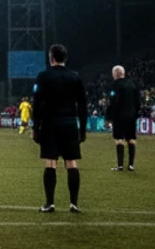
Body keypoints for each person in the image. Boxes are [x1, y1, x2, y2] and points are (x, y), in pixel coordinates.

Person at [32, 44, 87, 213]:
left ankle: (50, 203)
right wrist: (82, 129)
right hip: (69, 124)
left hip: (50, 124)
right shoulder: (75, 77)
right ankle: (74, 204)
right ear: (65, 58)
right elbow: (82, 105)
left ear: (51, 58)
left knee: (51, 163)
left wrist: (36, 127)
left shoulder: (43, 76)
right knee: (71, 163)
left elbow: (37, 104)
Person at [106, 65, 140, 172]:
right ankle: (131, 165)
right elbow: (138, 102)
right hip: (131, 116)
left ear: (116, 73)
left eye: (113, 73)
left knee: (119, 139)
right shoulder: (133, 84)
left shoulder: (115, 85)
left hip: (119, 116)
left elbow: (113, 101)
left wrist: (109, 117)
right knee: (131, 139)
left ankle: (120, 166)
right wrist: (135, 114)